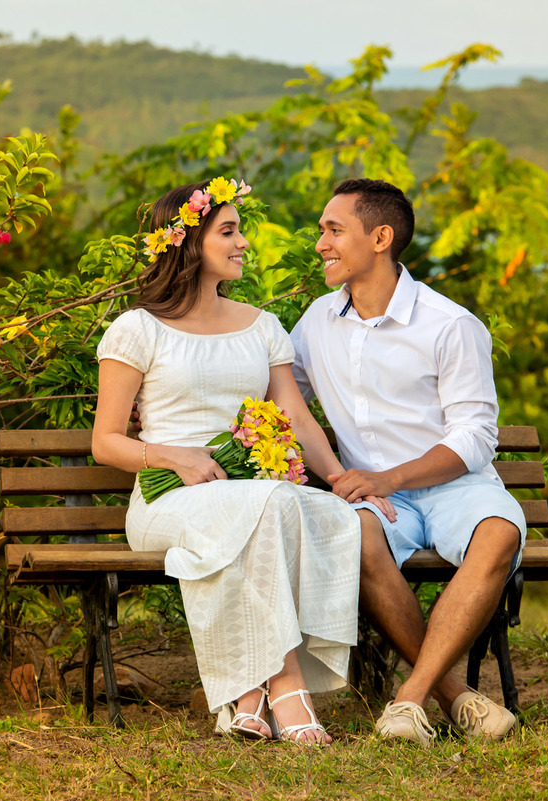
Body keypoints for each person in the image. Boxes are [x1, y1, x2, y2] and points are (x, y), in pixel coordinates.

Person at [92, 178, 394, 746]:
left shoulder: (260, 326)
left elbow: (299, 422)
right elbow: (106, 442)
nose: (243, 243)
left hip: (250, 495)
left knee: (317, 512)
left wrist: (340, 482)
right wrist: (174, 455)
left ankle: (248, 695)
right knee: (269, 507)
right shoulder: (137, 329)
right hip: (166, 499)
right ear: (187, 242)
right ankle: (286, 685)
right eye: (229, 231)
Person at [289, 177, 526, 746]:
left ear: (380, 237)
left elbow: (474, 436)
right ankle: (454, 698)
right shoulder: (317, 321)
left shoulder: (451, 324)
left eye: (333, 229)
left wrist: (388, 475)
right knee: (358, 539)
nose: (320, 242)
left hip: (454, 486)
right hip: (374, 499)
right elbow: (278, 391)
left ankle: (408, 700)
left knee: (498, 535)